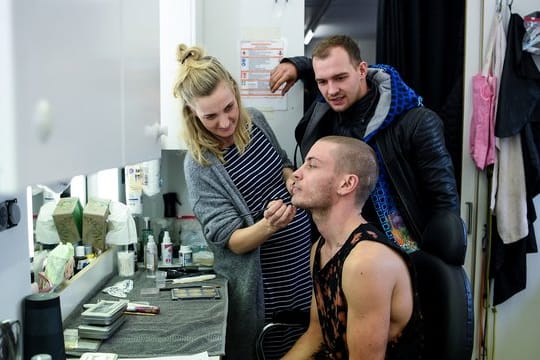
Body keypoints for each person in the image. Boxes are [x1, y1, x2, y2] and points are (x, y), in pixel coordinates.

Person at [173, 44, 313, 359]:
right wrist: (269, 225)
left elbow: (280, 163)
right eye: (210, 116)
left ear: (236, 93)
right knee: (276, 349)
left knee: (310, 341)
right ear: (192, 114)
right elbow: (232, 242)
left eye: (229, 107)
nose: (224, 122)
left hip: (301, 270)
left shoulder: (256, 121)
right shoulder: (200, 165)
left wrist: (291, 176)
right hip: (265, 288)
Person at [269, 35, 459, 253]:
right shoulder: (323, 117)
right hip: (335, 245)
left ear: (361, 71)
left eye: (340, 78)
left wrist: (439, 264)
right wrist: (297, 65)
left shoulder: (416, 122)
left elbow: (444, 201)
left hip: (402, 250)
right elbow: (325, 68)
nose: (331, 91)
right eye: (322, 82)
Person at [284, 135, 423, 359]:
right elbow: (316, 335)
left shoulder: (366, 262)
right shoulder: (321, 248)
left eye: (312, 165)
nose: (296, 174)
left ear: (347, 184)